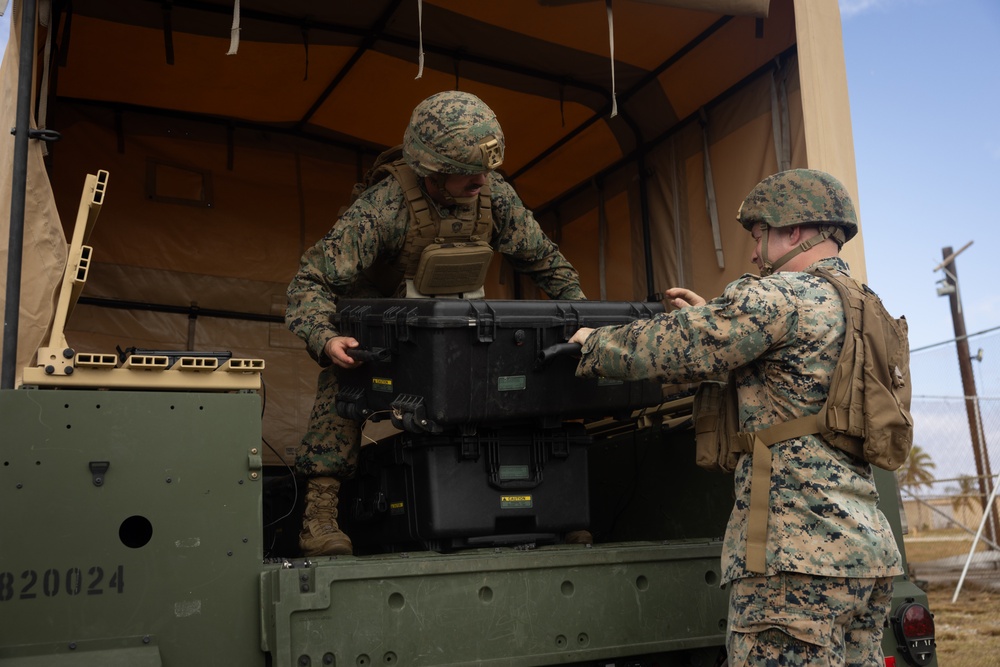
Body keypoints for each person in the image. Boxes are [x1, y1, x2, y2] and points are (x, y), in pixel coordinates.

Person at [568, 169, 903, 665]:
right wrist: (715, 312)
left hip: (794, 557)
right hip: (866, 554)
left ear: (793, 229)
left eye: (758, 234)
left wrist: (594, 344)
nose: (753, 253)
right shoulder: (864, 307)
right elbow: (779, 365)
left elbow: (683, 345)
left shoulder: (776, 297)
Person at [286, 91, 586, 557]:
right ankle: (320, 515)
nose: (482, 181)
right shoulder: (382, 208)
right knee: (341, 387)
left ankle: (553, 508)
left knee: (522, 375)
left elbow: (546, 263)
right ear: (432, 171)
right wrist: (326, 339)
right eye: (469, 173)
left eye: (487, 170)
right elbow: (309, 282)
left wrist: (584, 321)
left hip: (458, 329)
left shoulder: (494, 196)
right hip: (389, 335)